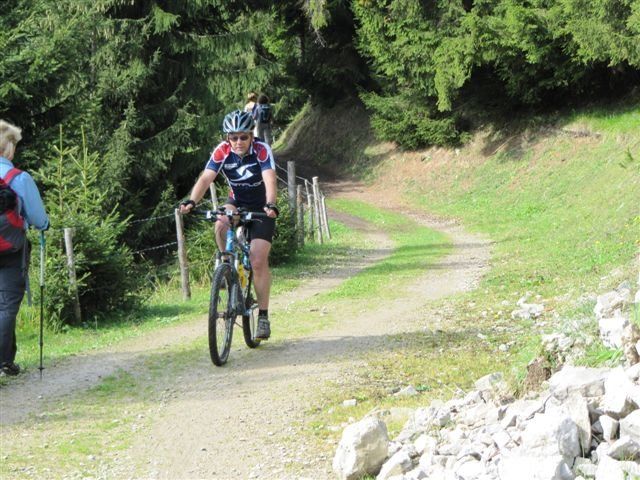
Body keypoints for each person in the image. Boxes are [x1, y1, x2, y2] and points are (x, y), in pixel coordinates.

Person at [179, 110, 278, 340]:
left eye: (243, 137)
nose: (238, 142)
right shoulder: (222, 151)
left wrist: (271, 204)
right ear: (228, 138)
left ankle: (263, 317)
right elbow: (206, 177)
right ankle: (226, 266)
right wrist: (192, 201)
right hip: (237, 201)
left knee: (258, 260)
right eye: (234, 137)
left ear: (251, 136)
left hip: (262, 206)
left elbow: (270, 178)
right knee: (221, 222)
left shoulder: (261, 150)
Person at [0, 120, 49, 377]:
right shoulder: (19, 178)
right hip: (12, 250)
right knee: (7, 306)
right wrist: (44, 225)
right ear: (8, 147)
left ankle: (7, 360)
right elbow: (39, 219)